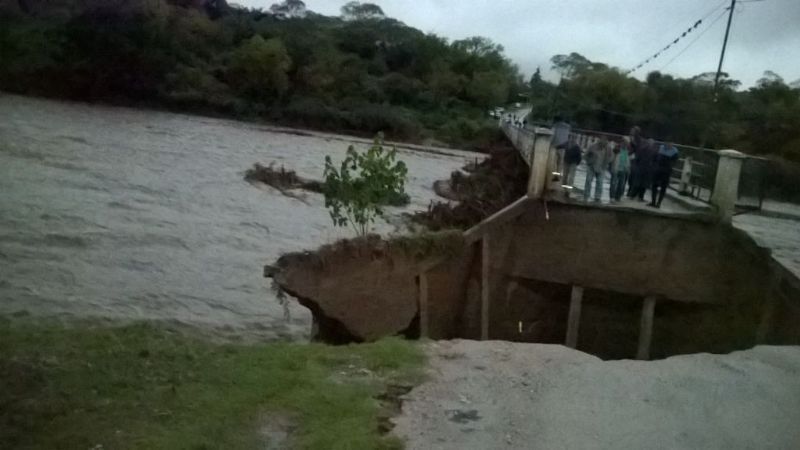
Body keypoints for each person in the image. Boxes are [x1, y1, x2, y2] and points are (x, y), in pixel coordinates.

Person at [650, 142, 679, 208]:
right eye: (668, 143)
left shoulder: (674, 152)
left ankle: (658, 203)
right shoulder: (660, 148)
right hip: (658, 170)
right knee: (654, 186)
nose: (669, 144)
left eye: (670, 143)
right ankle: (653, 202)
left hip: (666, 171)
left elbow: (674, 162)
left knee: (663, 187)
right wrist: (654, 166)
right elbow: (654, 158)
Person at [583, 137, 612, 202]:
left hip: (602, 167)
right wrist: (588, 162)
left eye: (605, 144)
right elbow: (585, 155)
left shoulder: (608, 148)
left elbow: (610, 157)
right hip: (592, 166)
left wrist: (607, 163)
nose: (603, 145)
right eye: (602, 144)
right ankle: (586, 195)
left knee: (600, 182)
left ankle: (597, 197)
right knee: (588, 181)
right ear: (599, 142)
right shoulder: (593, 146)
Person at [609, 138, 631, 202]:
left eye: (627, 143)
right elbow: (611, 158)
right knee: (613, 183)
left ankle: (617, 197)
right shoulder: (617, 149)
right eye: (625, 143)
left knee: (621, 185)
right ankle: (612, 197)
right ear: (622, 142)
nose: (626, 144)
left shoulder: (627, 151)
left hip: (623, 170)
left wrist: (628, 168)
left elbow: (627, 160)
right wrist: (611, 167)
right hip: (616, 168)